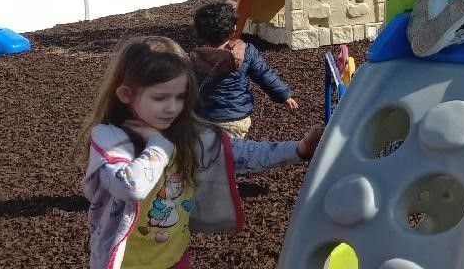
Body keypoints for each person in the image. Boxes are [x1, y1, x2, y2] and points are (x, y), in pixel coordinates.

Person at [79, 35, 323, 269]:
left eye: (181, 96)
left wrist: (299, 149)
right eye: (160, 97)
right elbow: (131, 187)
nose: (172, 108)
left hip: (174, 256)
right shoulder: (110, 140)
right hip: (124, 262)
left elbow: (242, 153)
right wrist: (160, 144)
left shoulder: (188, 135)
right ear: (126, 95)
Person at [188, 1, 297, 139]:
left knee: (209, 154)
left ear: (200, 33)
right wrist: (284, 95)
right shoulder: (246, 52)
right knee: (232, 153)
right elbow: (264, 74)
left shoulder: (194, 58)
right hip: (236, 118)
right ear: (233, 28)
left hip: (204, 118)